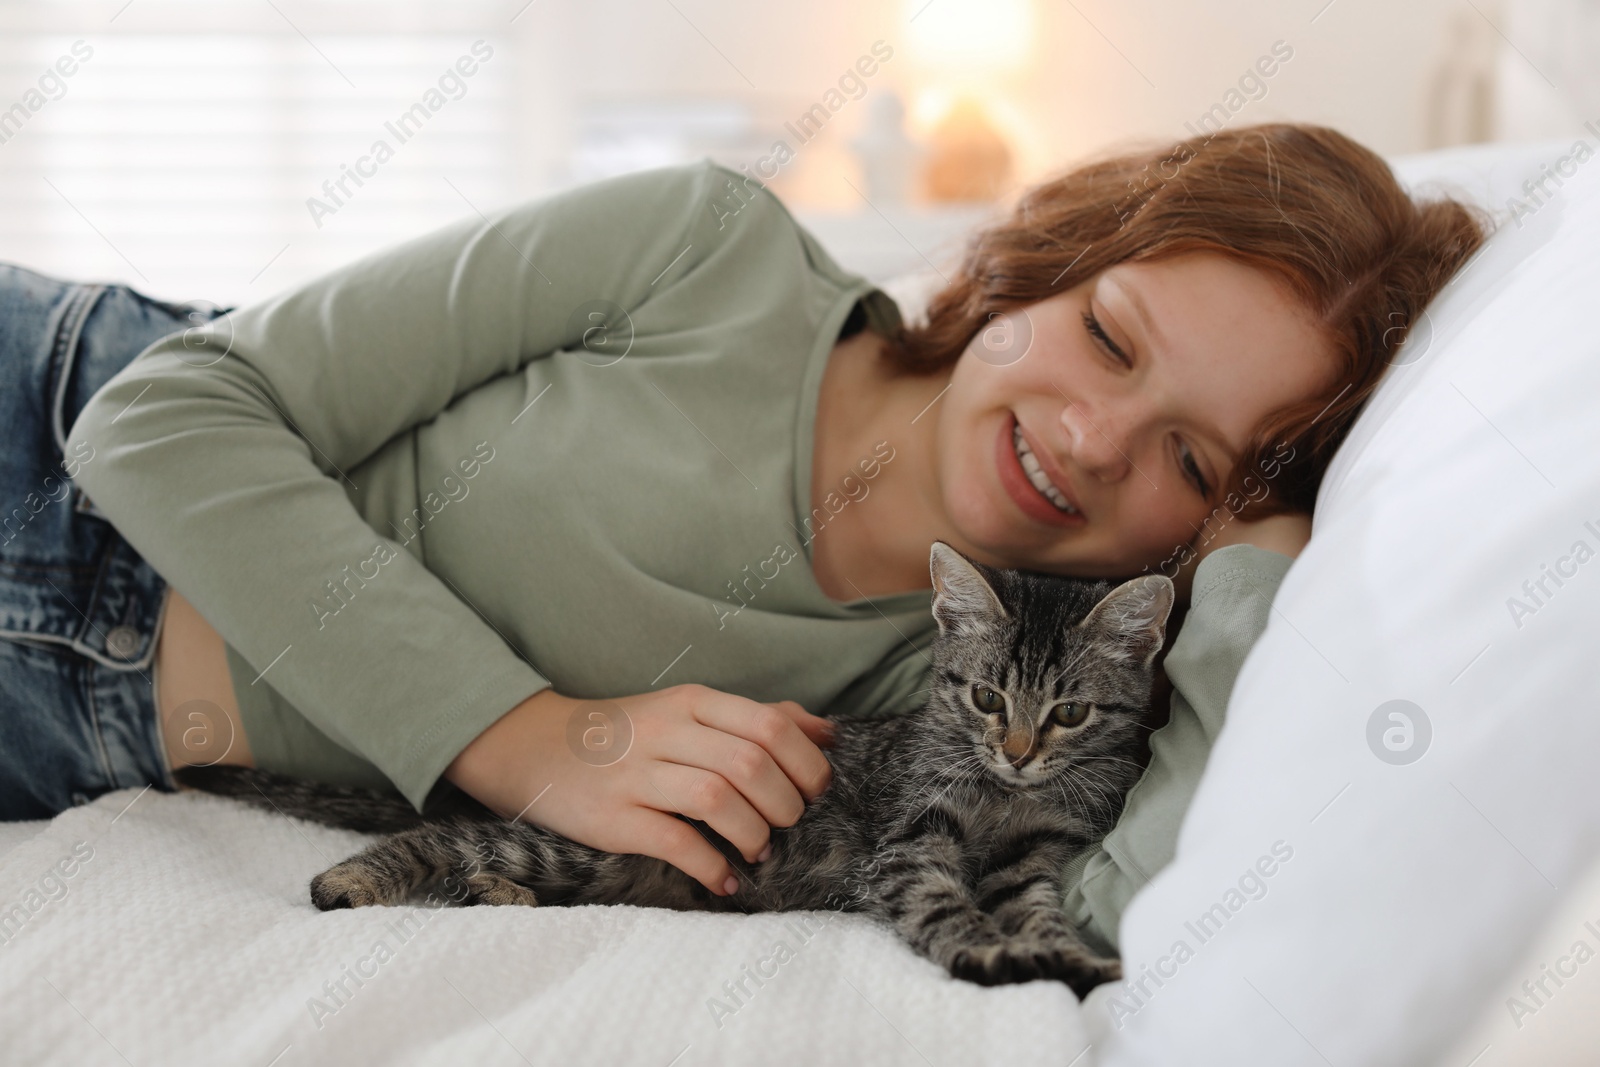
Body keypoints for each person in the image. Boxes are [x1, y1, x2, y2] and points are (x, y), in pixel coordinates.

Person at [0, 123, 1486, 952]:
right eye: (1105, 336)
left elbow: (1110, 914)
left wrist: (1246, 568)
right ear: (1047, 269)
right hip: (48, 427)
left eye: (1191, 457)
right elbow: (156, 416)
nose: (1095, 438)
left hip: (67, 735)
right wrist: (525, 736)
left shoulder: (954, 703)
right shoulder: (705, 251)